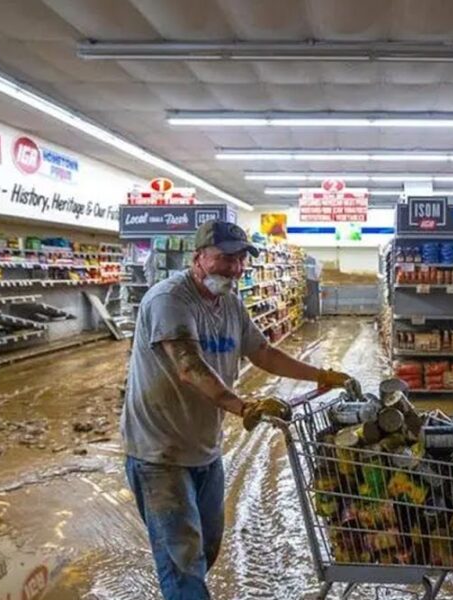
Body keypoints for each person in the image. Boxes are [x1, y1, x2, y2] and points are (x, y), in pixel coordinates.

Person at [121, 219, 354, 600]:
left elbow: (262, 352)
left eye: (241, 259)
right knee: (183, 557)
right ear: (199, 258)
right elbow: (187, 366)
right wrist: (243, 406)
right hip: (158, 449)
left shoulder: (230, 301)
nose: (235, 268)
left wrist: (321, 375)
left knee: (208, 546)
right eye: (225, 259)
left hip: (204, 446)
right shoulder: (169, 300)